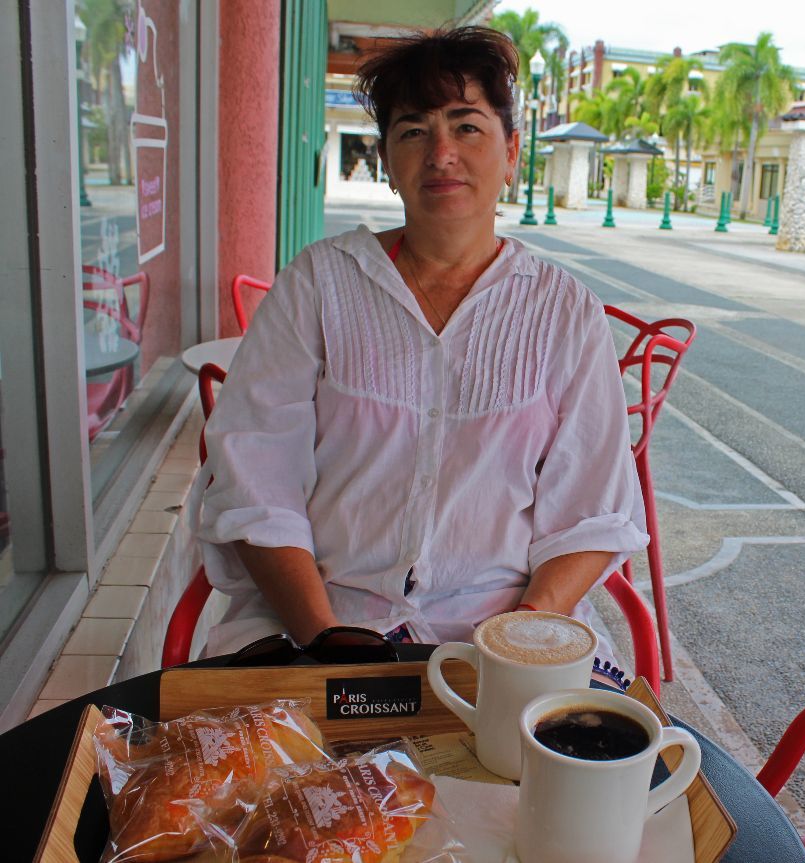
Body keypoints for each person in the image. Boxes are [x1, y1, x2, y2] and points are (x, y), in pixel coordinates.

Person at [196, 27, 647, 665]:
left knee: (582, 760)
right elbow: (254, 482)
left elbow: (592, 511)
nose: (441, 153)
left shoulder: (563, 310)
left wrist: (516, 646)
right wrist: (328, 639)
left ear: (512, 151)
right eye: (413, 130)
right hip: (321, 620)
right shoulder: (320, 284)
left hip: (506, 633)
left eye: (467, 127)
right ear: (386, 160)